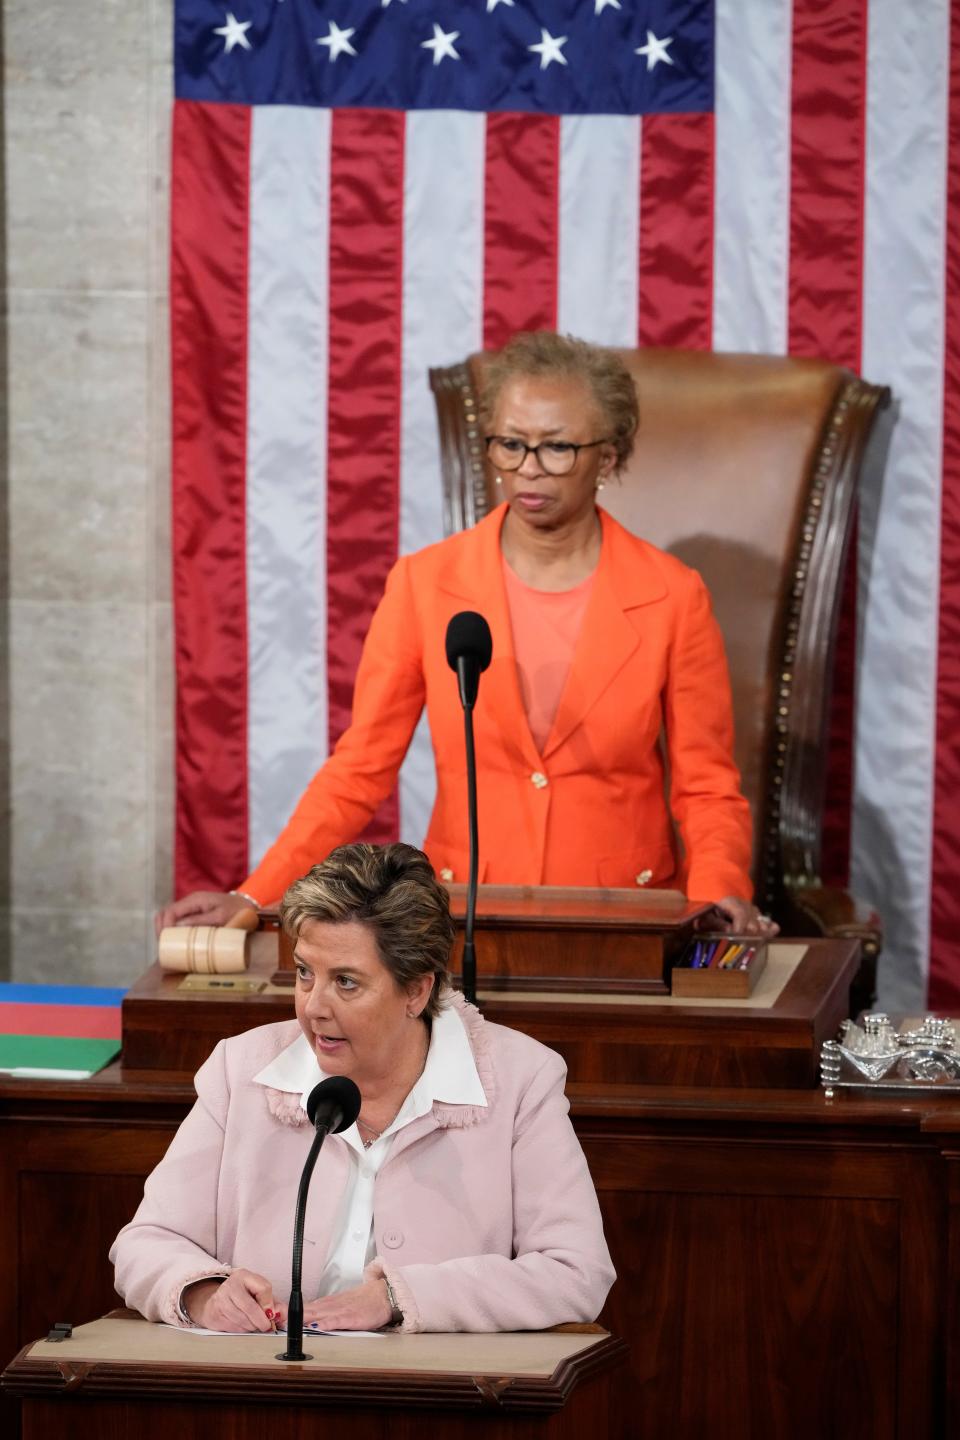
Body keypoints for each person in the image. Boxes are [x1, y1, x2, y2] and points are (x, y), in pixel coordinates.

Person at [158, 331, 775, 939]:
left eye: (557, 448)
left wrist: (719, 897)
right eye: (510, 444)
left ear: (607, 458)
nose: (527, 470)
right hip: (462, 920)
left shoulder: (673, 595)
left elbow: (706, 787)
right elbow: (359, 770)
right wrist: (253, 894)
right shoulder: (426, 584)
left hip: (622, 925)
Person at [115, 843, 615, 1333]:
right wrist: (202, 1293)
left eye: (347, 982)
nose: (313, 1007)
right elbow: (147, 1242)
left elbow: (576, 1271)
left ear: (417, 990)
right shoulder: (240, 1069)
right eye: (306, 973)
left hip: (438, 1399)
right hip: (264, 1393)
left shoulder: (521, 1080)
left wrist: (400, 1298)